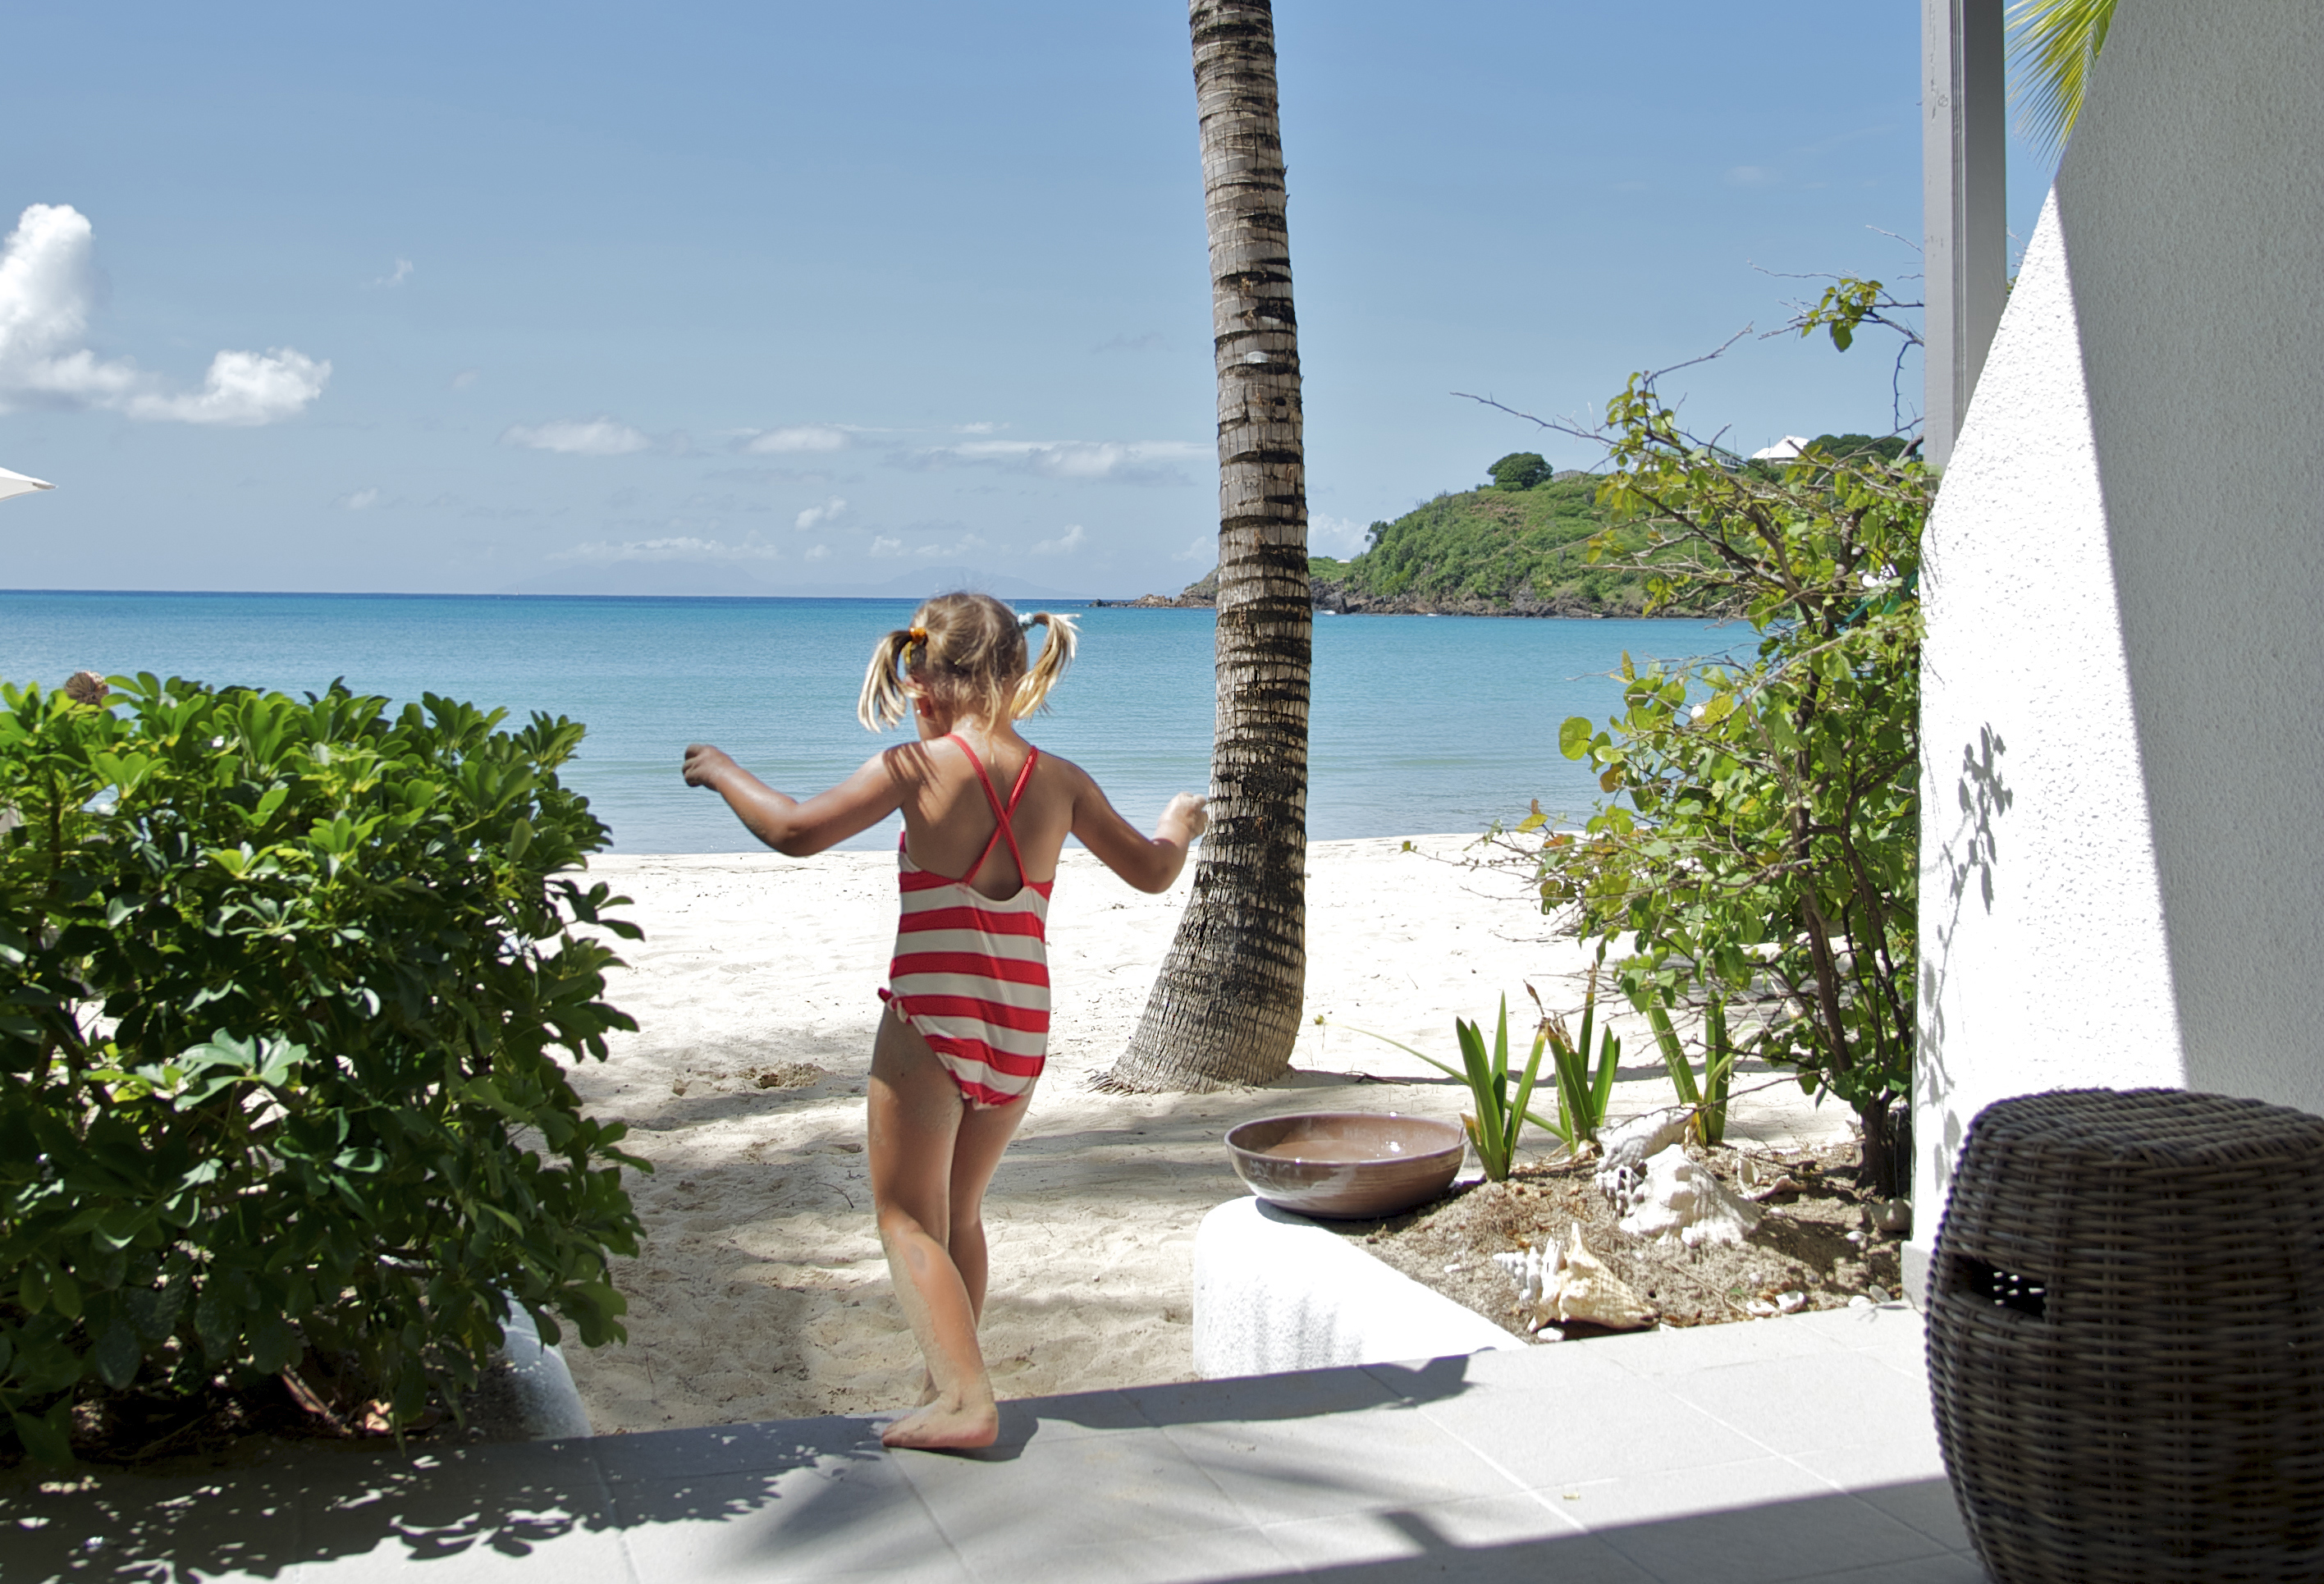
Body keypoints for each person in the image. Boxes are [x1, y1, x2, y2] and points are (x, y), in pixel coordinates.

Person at [681, 593, 1208, 1449]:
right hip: (1021, 1025)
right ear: (1012, 670)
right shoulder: (1062, 780)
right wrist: (1176, 824)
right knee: (959, 1212)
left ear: (937, 675)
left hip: (933, 1014)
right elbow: (1152, 872)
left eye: (916, 674)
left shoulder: (915, 772)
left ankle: (967, 1399)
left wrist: (721, 768)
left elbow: (792, 831)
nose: (911, 691)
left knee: (905, 1219)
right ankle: (944, 1379)